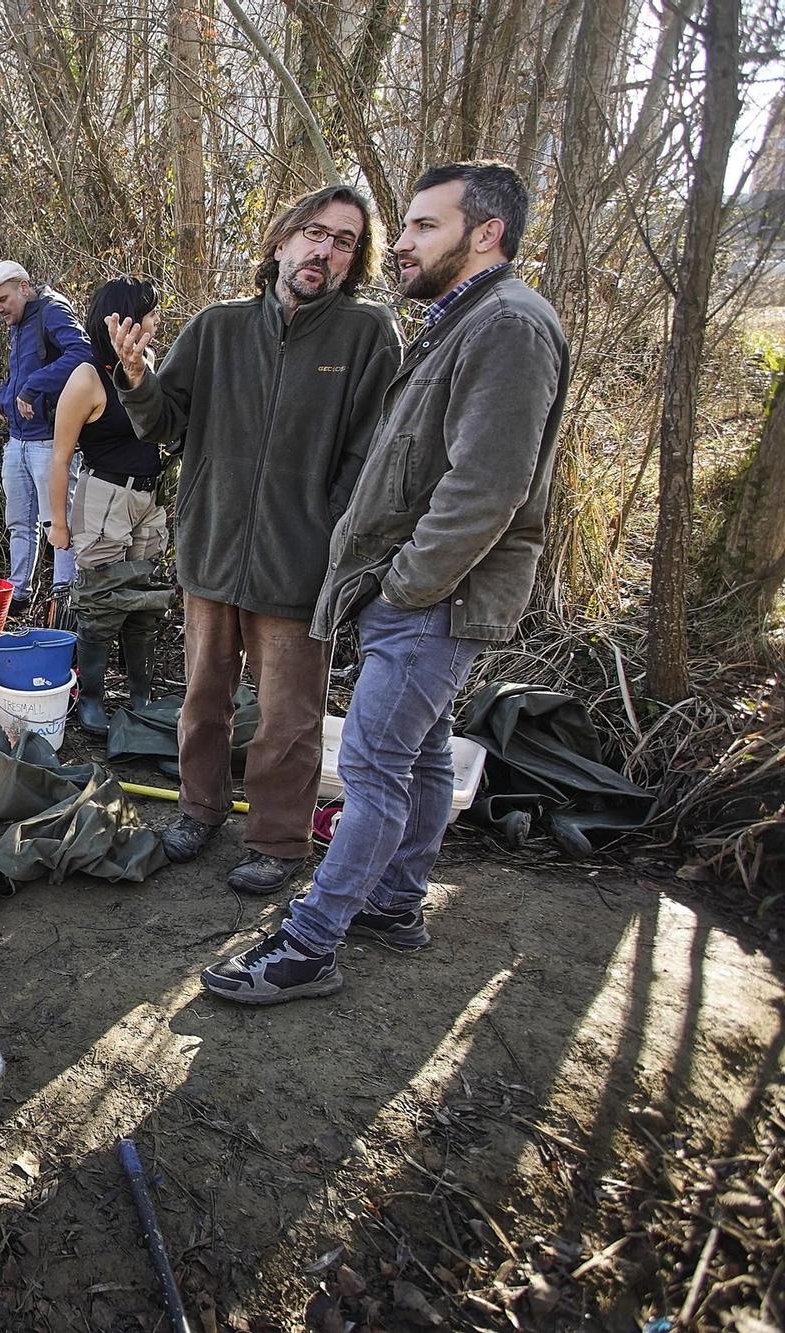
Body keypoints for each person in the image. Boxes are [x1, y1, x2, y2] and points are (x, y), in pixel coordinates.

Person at [203, 161, 569, 1004]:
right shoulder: (461, 321)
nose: (398, 244)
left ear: (487, 235)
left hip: (437, 600)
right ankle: (395, 901)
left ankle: (308, 944)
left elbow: (487, 486)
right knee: (426, 751)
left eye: (422, 227)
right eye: (402, 227)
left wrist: (406, 586)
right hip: (428, 597)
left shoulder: (509, 325)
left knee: (370, 767)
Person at [112, 184, 401, 896]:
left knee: (289, 718)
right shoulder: (218, 327)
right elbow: (165, 423)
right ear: (280, 241)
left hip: (299, 568)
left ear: (353, 261)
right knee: (203, 699)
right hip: (211, 553)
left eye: (343, 242)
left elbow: (372, 457)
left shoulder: (367, 337)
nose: (324, 250)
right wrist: (136, 376)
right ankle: (198, 810)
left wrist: (327, 538)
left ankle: (277, 841)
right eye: (314, 232)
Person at [44, 277, 174, 734]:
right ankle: (93, 699)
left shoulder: (147, 364)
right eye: (152, 313)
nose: (158, 321)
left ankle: (140, 693)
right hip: (103, 497)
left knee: (144, 599)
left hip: (147, 499)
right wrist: (56, 522)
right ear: (126, 318)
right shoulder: (86, 377)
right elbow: (59, 457)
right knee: (101, 602)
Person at [0, 260, 94, 616]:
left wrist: (31, 389)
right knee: (19, 522)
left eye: (3, 300)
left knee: (57, 521)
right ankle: (19, 595)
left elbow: (83, 354)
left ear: (24, 287)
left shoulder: (51, 310)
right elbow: (21, 372)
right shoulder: (18, 322)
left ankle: (63, 600)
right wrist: (4, 397)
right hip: (18, 438)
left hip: (51, 440)